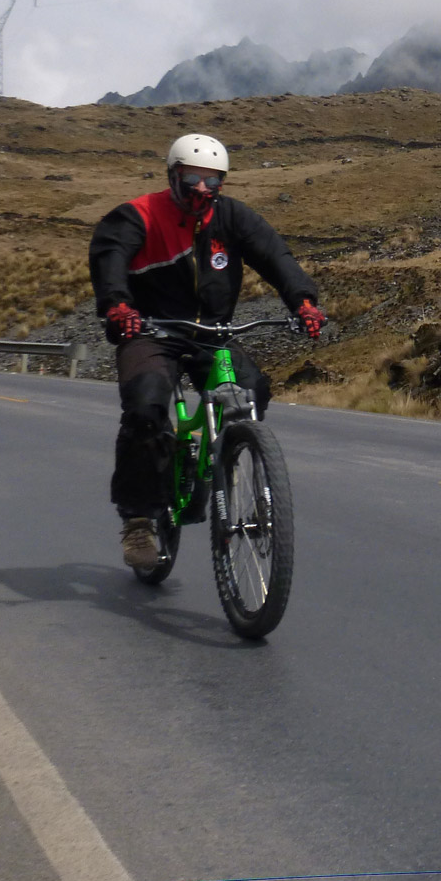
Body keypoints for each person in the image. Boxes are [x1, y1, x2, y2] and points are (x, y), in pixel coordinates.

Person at [89, 133, 326, 570]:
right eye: (192, 178)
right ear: (173, 176)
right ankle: (139, 519)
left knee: (251, 389)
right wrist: (118, 306)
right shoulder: (138, 215)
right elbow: (110, 258)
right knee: (146, 410)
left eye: (213, 181)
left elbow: (277, 257)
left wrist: (304, 302)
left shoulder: (233, 218)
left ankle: (235, 455)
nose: (202, 189)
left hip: (211, 333)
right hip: (150, 331)